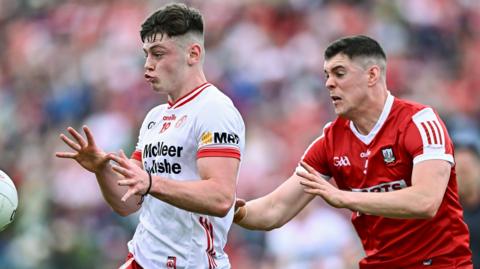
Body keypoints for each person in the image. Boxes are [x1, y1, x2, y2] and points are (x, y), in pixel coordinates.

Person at [234, 35, 473, 268]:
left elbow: (426, 201)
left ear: (372, 75)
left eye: (339, 73)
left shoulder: (420, 122)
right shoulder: (330, 141)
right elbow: (273, 210)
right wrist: (228, 209)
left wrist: (345, 198)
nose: (328, 83)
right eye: (326, 75)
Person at [56, 3, 245, 269]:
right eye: (146, 54)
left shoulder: (214, 109)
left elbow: (221, 197)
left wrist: (151, 182)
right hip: (142, 259)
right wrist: (102, 171)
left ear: (193, 53)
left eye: (158, 54)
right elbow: (129, 203)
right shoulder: (155, 117)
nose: (147, 65)